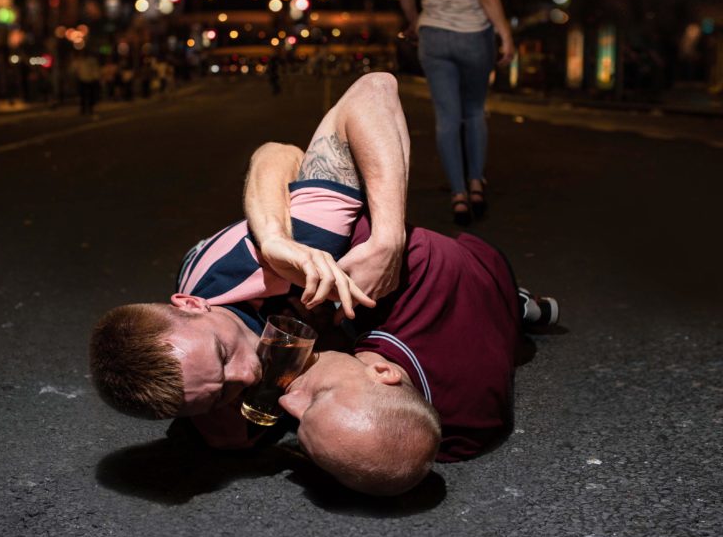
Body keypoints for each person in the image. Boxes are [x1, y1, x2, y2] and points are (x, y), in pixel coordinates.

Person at [90, 73, 559, 495]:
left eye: (222, 355)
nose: (246, 376)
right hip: (388, 314)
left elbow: (338, 113)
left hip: (452, 265)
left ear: (192, 303)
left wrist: (381, 241)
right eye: (217, 394)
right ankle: (511, 313)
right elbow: (275, 154)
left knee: (461, 288)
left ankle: (513, 305)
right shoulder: (221, 415)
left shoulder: (299, 249)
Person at [397, 0, 515, 225]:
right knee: (474, 111)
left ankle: (458, 194)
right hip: (471, 35)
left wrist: (415, 20)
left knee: (446, 118)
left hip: (433, 37)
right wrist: (504, 33)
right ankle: (476, 184)